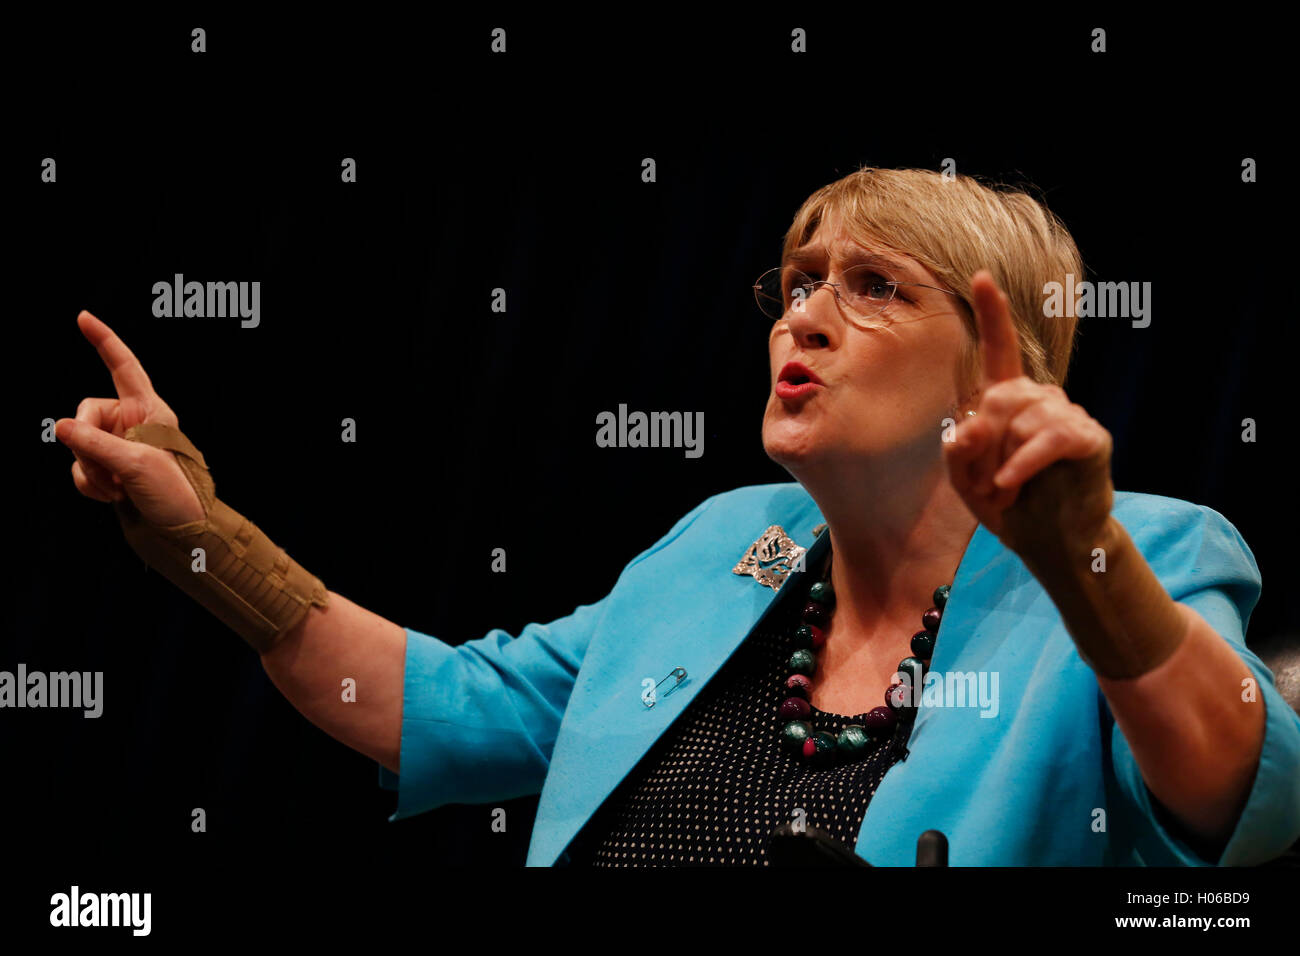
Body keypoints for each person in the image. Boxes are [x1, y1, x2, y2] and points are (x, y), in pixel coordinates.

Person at [56, 167, 1300, 867]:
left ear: (998, 361)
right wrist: (199, 531)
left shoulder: (1141, 552)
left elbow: (1243, 798)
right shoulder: (724, 546)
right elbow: (432, 702)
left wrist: (1084, 562)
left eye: (873, 288)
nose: (802, 316)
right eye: (799, 280)